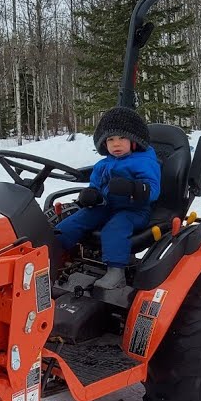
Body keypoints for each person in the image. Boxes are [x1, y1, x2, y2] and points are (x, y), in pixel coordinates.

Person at [56, 106, 160, 289]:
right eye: (110, 140)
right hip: (105, 206)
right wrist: (90, 196)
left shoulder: (144, 162)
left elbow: (152, 190)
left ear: (134, 141)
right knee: (78, 218)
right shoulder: (103, 164)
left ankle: (115, 271)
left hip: (134, 209)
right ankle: (53, 249)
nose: (116, 144)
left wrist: (132, 188)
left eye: (122, 138)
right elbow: (95, 187)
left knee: (116, 227)